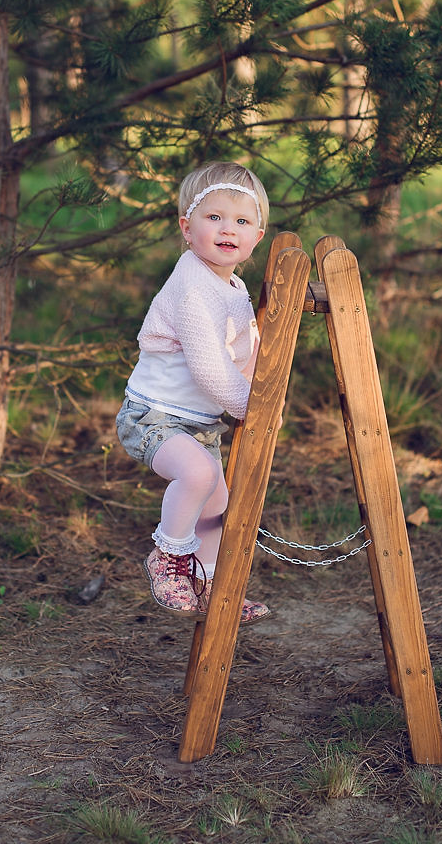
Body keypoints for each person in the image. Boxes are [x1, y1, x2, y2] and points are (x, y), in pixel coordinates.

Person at [116, 162, 271, 624]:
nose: (228, 229)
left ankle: (207, 585)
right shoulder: (190, 285)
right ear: (187, 228)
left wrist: (258, 392)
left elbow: (244, 353)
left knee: (218, 504)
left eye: (242, 221)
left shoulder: (234, 289)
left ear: (256, 237)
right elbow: (209, 368)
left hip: (198, 424)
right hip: (153, 416)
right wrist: (253, 409)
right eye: (214, 218)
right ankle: (166, 559)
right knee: (199, 476)